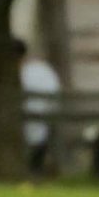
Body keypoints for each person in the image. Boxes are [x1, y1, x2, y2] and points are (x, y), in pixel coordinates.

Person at [17, 38, 61, 177]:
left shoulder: (21, 73)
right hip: (43, 123)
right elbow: (55, 98)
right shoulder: (42, 69)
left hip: (23, 125)